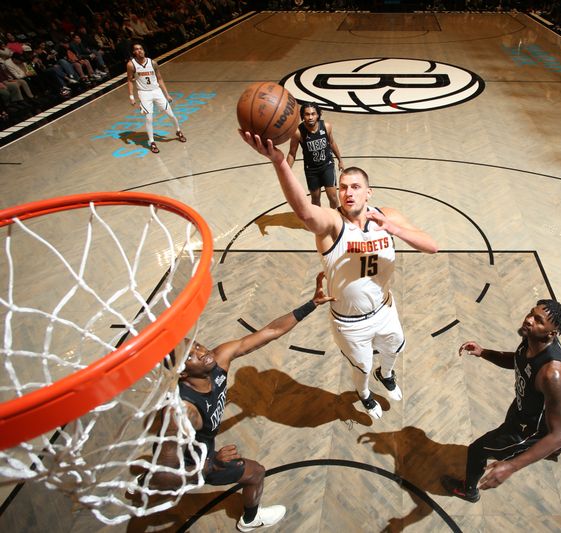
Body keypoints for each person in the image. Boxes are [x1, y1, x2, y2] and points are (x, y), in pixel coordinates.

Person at [239, 132, 438, 420]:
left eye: (356, 187)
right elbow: (305, 213)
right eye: (343, 187)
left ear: (368, 193)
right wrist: (280, 163)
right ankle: (365, 394)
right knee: (363, 366)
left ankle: (388, 374)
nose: (348, 192)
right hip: (350, 321)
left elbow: (432, 247)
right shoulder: (333, 223)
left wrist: (391, 228)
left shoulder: (388, 215)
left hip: (385, 309)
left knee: (394, 347)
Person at [151, 272, 334, 532]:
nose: (201, 353)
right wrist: (211, 464)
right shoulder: (181, 411)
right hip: (193, 462)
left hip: (202, 448)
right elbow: (161, 477)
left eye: (198, 346)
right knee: (256, 473)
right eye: (191, 356)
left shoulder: (220, 358)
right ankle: (250, 520)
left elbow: (270, 331)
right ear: (181, 372)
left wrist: (311, 305)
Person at [440, 300, 561, 503]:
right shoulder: (531, 338)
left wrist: (511, 466)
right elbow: (518, 360)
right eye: (531, 313)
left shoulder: (553, 374)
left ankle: (469, 491)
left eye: (538, 320)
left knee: (477, 450)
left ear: (551, 333)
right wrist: (483, 352)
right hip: (521, 410)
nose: (529, 320)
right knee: (551, 437)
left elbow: (558, 433)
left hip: (527, 430)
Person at [126, 42, 186, 154]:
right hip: (144, 93)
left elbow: (160, 79)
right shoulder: (131, 64)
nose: (140, 51)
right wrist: (131, 96)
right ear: (134, 52)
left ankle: (178, 131)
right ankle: (152, 142)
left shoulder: (152, 63)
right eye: (137, 49)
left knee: (170, 114)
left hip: (156, 91)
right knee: (149, 118)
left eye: (141, 48)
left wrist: (167, 94)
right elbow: (130, 80)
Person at [286, 101, 345, 208]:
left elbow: (332, 143)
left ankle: (336, 220)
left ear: (318, 114)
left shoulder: (326, 126)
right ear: (303, 116)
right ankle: (318, 222)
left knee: (332, 197)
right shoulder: (298, 132)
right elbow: (291, 153)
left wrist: (340, 160)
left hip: (327, 165)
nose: (310, 117)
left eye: (313, 114)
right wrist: (286, 171)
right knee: (315, 198)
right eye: (307, 114)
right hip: (311, 170)